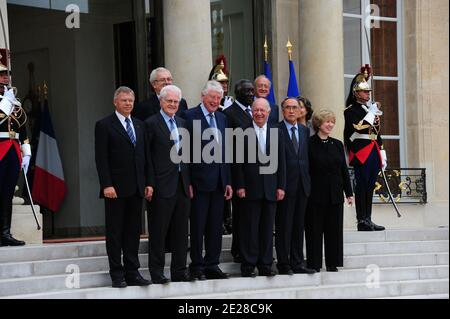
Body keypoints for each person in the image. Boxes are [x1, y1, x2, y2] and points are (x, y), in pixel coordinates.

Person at [94, 86, 152, 288]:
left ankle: (132, 272)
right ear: (115, 102)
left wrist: (148, 183)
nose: (128, 103)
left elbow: (145, 158)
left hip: (137, 188)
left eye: (131, 101)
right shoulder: (104, 125)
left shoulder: (140, 125)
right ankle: (117, 274)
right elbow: (101, 159)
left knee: (133, 232)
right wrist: (106, 185)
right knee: (115, 232)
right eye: (124, 100)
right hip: (115, 190)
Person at [183, 81, 233, 280]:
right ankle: (197, 265)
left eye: (218, 98)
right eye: (212, 97)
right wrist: (187, 182)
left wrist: (228, 181)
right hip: (198, 183)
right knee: (198, 227)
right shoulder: (188, 116)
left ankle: (213, 264)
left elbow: (226, 152)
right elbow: (184, 153)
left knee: (215, 227)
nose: (215, 101)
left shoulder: (222, 118)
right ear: (203, 96)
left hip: (219, 183)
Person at [145, 85, 194, 284]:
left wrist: (189, 182)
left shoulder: (183, 123)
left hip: (182, 186)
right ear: (161, 102)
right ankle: (157, 272)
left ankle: (179, 271)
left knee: (181, 232)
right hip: (160, 186)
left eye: (176, 102)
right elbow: (147, 158)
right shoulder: (150, 124)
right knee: (158, 232)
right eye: (169, 101)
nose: (173, 104)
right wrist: (149, 183)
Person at [234, 98, 286, 277]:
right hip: (249, 188)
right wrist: (240, 185)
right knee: (250, 228)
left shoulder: (276, 132)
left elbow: (281, 162)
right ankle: (248, 265)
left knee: (266, 229)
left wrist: (281, 186)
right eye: (256, 110)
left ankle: (265, 264)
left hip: (271, 188)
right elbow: (238, 162)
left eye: (263, 110)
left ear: (269, 112)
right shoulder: (242, 132)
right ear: (251, 112)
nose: (259, 113)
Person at [306, 109, 354, 272]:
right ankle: (314, 263)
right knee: (314, 230)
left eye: (332, 122)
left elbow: (343, 170)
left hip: (335, 194)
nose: (330, 125)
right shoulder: (309, 144)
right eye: (327, 121)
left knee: (334, 230)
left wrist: (349, 193)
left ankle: (333, 263)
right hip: (315, 195)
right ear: (319, 123)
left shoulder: (337, 144)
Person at [275, 98, 315, 275]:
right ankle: (284, 264)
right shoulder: (275, 130)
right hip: (285, 186)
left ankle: (298, 262)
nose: (292, 111)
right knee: (284, 226)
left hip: (303, 186)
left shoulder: (305, 131)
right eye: (288, 108)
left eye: (295, 108)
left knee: (299, 226)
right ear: (283, 110)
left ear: (300, 111)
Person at [344, 65, 386, 231]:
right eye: (364, 91)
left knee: (370, 186)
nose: (368, 94)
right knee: (362, 186)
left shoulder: (370, 109)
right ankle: (361, 220)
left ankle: (368, 218)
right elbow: (358, 127)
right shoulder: (350, 111)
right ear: (356, 93)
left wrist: (382, 150)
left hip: (373, 150)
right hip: (361, 151)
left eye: (368, 91)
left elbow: (376, 132)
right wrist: (372, 113)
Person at [223, 79, 255, 263]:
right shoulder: (229, 114)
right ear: (237, 93)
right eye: (246, 91)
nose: (251, 94)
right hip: (239, 172)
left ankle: (248, 249)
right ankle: (240, 252)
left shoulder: (257, 112)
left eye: (252, 91)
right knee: (242, 216)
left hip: (258, 172)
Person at [0, 62, 29, 247]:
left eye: (7, 74)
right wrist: (6, 102)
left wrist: (26, 152)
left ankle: (5, 233)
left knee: (8, 193)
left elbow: (23, 129)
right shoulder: (7, 102)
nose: (6, 77)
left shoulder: (14, 102)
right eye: (2, 74)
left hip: (13, 150)